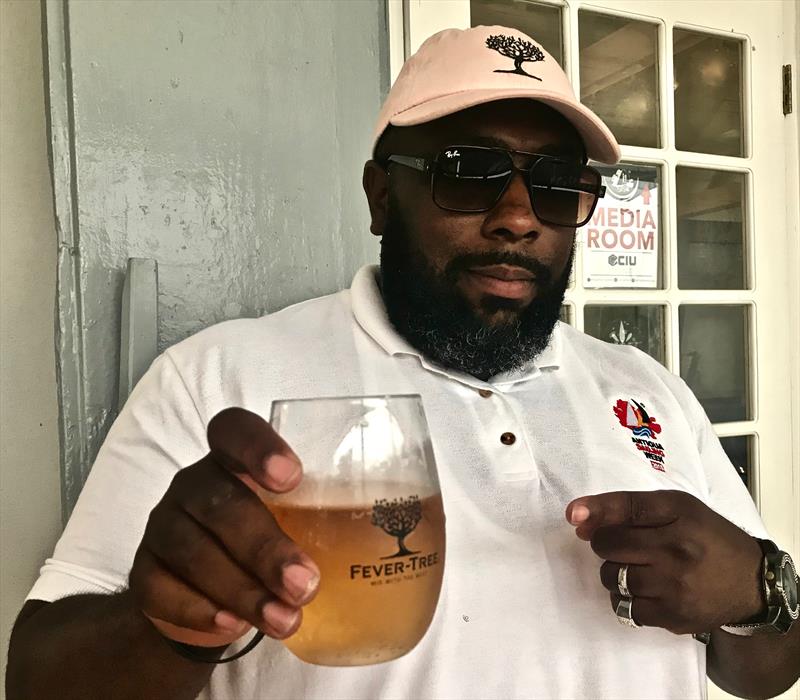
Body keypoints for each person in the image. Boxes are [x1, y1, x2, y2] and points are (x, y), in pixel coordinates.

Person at [6, 25, 799, 700]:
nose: (520, 216)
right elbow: (37, 676)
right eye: (469, 173)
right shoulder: (220, 381)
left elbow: (764, 666)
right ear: (382, 196)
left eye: (557, 185)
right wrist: (169, 626)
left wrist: (757, 593)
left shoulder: (648, 389)